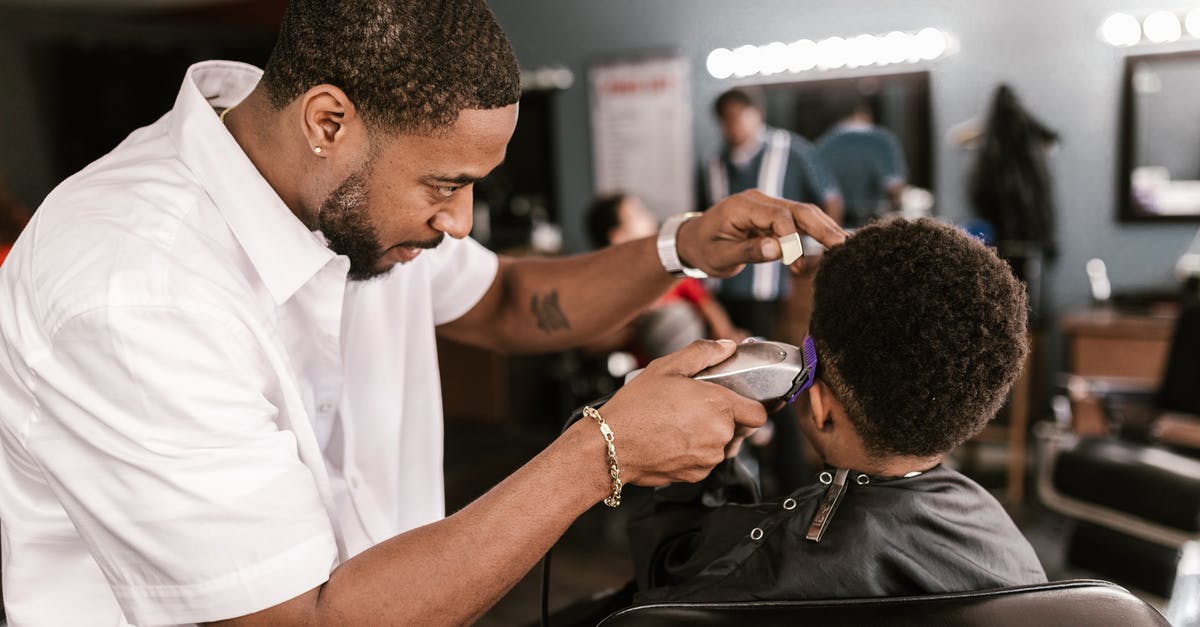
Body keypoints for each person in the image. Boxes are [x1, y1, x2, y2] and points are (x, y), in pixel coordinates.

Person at [0, 1, 847, 625]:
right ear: (328, 120)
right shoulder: (133, 288)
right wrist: (603, 450)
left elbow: (515, 300)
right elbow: (309, 621)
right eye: (445, 185)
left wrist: (684, 247)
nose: (461, 222)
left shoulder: (336, 178)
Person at [629, 217, 1046, 604]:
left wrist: (711, 466)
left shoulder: (761, 571)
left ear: (820, 403)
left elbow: (663, 584)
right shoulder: (1009, 553)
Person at [700, 88, 842, 495]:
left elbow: (827, 200)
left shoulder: (791, 150)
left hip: (773, 289)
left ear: (756, 115)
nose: (733, 126)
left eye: (739, 116)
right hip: (723, 288)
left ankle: (792, 486)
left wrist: (813, 250)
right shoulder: (712, 164)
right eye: (725, 118)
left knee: (779, 384)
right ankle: (737, 485)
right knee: (728, 383)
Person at [584, 192, 745, 361]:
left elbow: (707, 304)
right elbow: (593, 345)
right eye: (639, 215)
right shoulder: (609, 289)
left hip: (696, 356)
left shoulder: (668, 269)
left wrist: (727, 334)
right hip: (649, 372)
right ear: (618, 237)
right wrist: (636, 321)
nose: (651, 218)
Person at [816, 95, 908, 228]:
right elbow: (894, 188)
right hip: (875, 224)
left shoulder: (824, 143)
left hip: (838, 225)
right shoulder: (882, 140)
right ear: (862, 111)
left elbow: (823, 194)